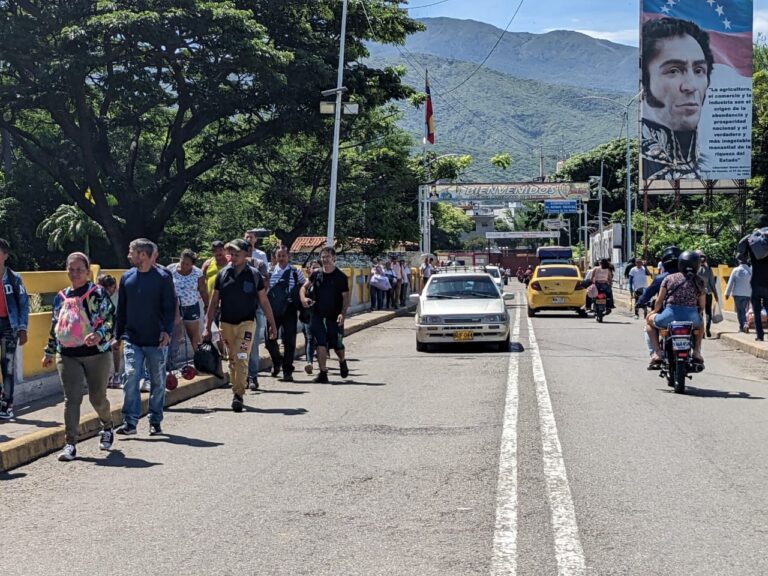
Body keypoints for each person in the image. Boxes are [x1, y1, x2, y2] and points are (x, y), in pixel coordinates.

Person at [43, 253, 116, 461]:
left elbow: (110, 319)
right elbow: (55, 325)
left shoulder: (98, 293)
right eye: (71, 269)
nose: (75, 274)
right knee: (71, 399)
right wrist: (49, 351)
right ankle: (70, 444)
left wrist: (99, 335)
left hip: (96, 354)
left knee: (97, 397)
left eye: (79, 270)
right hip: (67, 355)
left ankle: (107, 425)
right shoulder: (61, 297)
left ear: (88, 271)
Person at [203, 239, 277, 412]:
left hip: (247, 323)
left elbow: (264, 301)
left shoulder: (254, 275)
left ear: (246, 255)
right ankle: (235, 388)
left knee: (242, 356)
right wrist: (207, 326)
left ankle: (238, 394)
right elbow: (214, 303)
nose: (234, 257)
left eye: (237, 254)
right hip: (226, 324)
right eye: (232, 254)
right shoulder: (223, 275)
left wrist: (272, 324)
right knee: (232, 359)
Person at [115, 239, 177, 436]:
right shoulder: (126, 278)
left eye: (131, 252)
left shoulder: (163, 277)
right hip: (133, 338)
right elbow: (121, 309)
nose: (128, 255)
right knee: (131, 376)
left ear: (142, 254)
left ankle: (155, 419)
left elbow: (169, 308)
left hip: (156, 341)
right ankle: (130, 421)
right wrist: (117, 336)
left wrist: (167, 331)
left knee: (158, 381)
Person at [641, 17, 714, 180]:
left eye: (699, 70)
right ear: (644, 82)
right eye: (674, 70)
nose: (691, 86)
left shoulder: (713, 165)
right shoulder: (645, 165)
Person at [299, 247, 350, 384]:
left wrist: (342, 314)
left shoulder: (341, 277)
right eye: (323, 257)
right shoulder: (316, 274)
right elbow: (304, 287)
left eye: (328, 257)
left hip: (334, 316)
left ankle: (342, 361)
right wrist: (303, 299)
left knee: (337, 344)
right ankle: (323, 372)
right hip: (318, 315)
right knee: (320, 343)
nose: (325, 259)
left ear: (333, 258)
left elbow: (345, 298)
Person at [646, 251, 705, 366]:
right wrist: (696, 313)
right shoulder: (699, 281)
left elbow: (659, 300)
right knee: (701, 323)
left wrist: (654, 312)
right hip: (692, 318)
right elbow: (702, 305)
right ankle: (697, 352)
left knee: (649, 322)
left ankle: (657, 353)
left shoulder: (669, 278)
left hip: (669, 316)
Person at [265, 245, 305, 382]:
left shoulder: (295, 272)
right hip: (273, 310)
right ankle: (277, 362)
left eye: (284, 255)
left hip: (289, 309)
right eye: (279, 256)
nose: (281, 258)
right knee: (269, 340)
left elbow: (304, 287)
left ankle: (287, 370)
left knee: (289, 341)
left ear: (288, 256)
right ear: (275, 257)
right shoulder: (269, 272)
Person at [0, 238, 29, 420]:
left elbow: (24, 304)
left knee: (7, 366)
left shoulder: (13, 278)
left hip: (8, 325)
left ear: (5, 255)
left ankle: (7, 404)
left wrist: (22, 328)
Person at [169, 249, 209, 359]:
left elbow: (203, 290)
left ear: (192, 264)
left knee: (194, 336)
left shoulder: (197, 273)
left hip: (191, 306)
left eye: (187, 264)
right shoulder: (170, 269)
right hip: (174, 307)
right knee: (174, 336)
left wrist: (207, 305)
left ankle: (200, 361)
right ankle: (170, 363)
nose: (184, 266)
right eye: (182, 263)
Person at [244, 231, 270, 391]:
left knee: (252, 345)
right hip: (235, 312)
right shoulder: (231, 267)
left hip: (255, 309)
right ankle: (241, 376)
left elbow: (265, 284)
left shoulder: (258, 264)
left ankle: (252, 375)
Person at [737, 218, 768, 341]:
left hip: (755, 283)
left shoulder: (751, 245)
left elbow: (742, 257)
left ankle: (759, 336)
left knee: (756, 310)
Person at [97, 273, 122, 388]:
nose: (108, 291)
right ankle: (106, 376)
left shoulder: (119, 293)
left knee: (115, 346)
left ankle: (116, 374)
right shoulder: (97, 294)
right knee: (103, 348)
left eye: (110, 288)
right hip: (103, 321)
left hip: (117, 319)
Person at [724, 258, 752, 333]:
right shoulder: (750, 271)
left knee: (740, 310)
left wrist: (727, 293)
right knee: (744, 309)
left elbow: (730, 282)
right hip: (747, 294)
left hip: (737, 294)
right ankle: (744, 325)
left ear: (739, 262)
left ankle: (743, 325)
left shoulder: (735, 270)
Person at [695, 251, 719, 338]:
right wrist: (716, 294)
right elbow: (712, 283)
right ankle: (707, 329)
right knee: (708, 312)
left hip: (698, 294)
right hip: (708, 293)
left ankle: (702, 332)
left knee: (700, 313)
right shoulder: (708, 269)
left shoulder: (695, 269)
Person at [303, 260, 320, 375]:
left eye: (318, 268)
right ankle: (309, 363)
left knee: (319, 340)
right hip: (308, 314)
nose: (315, 270)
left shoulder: (323, 282)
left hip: (320, 314)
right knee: (309, 338)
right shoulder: (304, 283)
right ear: (309, 269)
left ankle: (321, 362)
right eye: (313, 268)